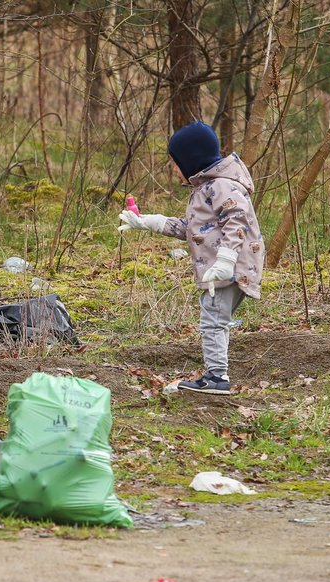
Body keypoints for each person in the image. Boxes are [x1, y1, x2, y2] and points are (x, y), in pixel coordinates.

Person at [118, 121, 264, 395]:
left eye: (176, 162)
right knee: (216, 318)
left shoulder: (221, 186)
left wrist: (225, 260)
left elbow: (237, 219)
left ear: (191, 159)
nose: (175, 169)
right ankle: (215, 374)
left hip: (230, 267)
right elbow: (192, 229)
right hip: (226, 266)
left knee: (213, 320)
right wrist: (148, 222)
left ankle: (217, 377)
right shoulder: (208, 188)